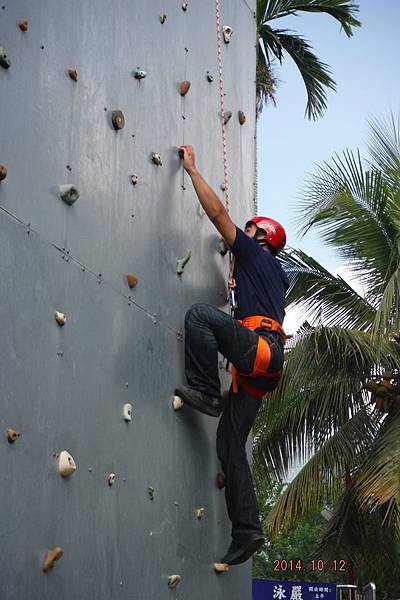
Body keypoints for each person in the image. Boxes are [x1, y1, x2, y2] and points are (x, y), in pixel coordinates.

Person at [175, 144, 288, 566]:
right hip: (263, 367)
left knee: (201, 316)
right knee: (229, 442)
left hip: (259, 352)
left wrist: (192, 169)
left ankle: (205, 391)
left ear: (262, 238)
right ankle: (247, 531)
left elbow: (219, 215)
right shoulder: (271, 275)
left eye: (251, 231)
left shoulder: (256, 255)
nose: (245, 234)